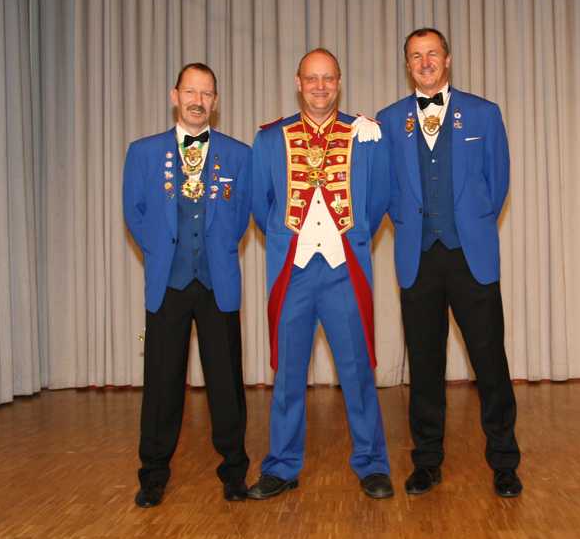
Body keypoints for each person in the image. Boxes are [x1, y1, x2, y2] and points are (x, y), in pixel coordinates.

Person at [376, 28, 522, 498]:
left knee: (489, 362)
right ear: (407, 65)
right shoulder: (389, 120)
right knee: (424, 366)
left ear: (448, 59)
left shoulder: (483, 113)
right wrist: (407, 219)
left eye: (432, 53)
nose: (425, 62)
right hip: (417, 257)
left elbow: (497, 183)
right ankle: (426, 461)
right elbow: (385, 188)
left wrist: (471, 223)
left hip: (470, 257)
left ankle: (504, 462)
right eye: (416, 56)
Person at [247, 48, 393, 500]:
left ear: (339, 82)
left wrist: (349, 236)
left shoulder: (364, 135)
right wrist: (287, 237)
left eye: (328, 78)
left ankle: (372, 463)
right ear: (298, 83)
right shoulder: (271, 138)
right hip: (293, 271)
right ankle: (281, 465)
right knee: (287, 374)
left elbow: (377, 201)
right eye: (312, 78)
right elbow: (260, 204)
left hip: (343, 269)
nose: (320, 87)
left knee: (358, 371)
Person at [122, 62, 252, 507]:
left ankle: (234, 470)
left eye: (207, 94)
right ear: (174, 95)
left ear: (216, 101)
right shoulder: (142, 153)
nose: (198, 101)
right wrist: (162, 251)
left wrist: (216, 249)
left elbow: (241, 216)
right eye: (191, 92)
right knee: (162, 382)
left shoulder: (239, 155)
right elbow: (135, 212)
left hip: (218, 282)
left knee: (226, 382)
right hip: (168, 283)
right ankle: (153, 474)